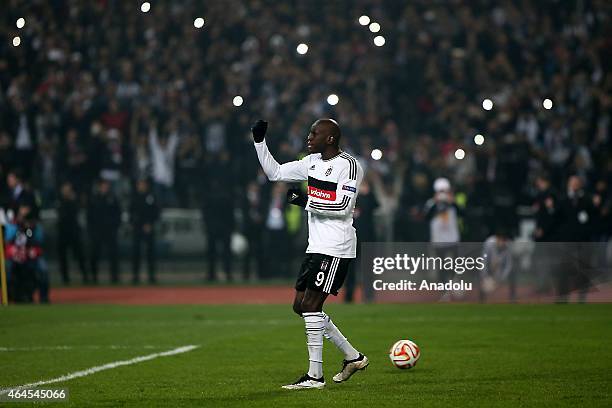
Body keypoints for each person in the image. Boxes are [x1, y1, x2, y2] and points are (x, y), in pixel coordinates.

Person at [252, 118, 368, 390]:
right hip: (315, 246)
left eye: (315, 133)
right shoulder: (311, 161)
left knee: (310, 306)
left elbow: (342, 206)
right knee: (300, 306)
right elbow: (275, 173)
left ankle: (315, 376)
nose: (309, 136)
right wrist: (259, 142)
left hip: (336, 247)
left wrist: (306, 201)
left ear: (330, 138)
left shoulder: (349, 166)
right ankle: (353, 357)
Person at [87, 179, 122, 284]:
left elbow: (118, 214)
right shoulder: (94, 198)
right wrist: (92, 230)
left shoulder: (113, 198)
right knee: (95, 255)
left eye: (106, 185)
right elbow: (89, 216)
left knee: (113, 255)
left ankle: (115, 277)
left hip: (110, 231)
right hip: (97, 231)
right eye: (102, 185)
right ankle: (93, 277)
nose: (104, 187)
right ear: (99, 186)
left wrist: (115, 227)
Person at [57, 181, 88, 284]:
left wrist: (73, 200)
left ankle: (85, 276)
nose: (66, 191)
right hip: (63, 232)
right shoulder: (60, 201)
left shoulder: (74, 200)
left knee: (80, 254)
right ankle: (65, 278)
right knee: (63, 256)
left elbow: (78, 210)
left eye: (68, 188)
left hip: (74, 231)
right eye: (65, 188)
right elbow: (61, 216)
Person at [129, 179, 160, 284]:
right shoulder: (134, 197)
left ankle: (151, 276)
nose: (141, 186)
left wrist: (150, 224)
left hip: (149, 228)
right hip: (137, 228)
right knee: (136, 253)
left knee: (150, 253)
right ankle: (135, 276)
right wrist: (134, 224)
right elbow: (130, 213)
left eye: (143, 184)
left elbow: (156, 212)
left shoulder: (151, 197)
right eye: (139, 184)